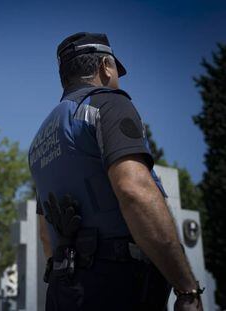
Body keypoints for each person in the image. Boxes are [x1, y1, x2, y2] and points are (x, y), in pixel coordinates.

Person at [28, 32, 204, 311]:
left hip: (64, 290)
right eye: (115, 70)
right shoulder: (108, 103)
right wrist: (186, 289)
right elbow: (134, 190)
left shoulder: (40, 141)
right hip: (119, 284)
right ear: (105, 67)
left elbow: (45, 235)